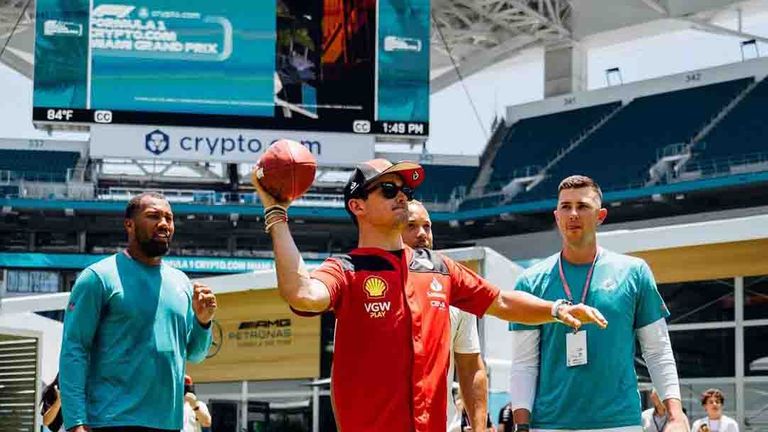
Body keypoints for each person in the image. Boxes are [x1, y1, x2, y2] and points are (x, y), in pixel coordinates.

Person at [252, 158, 607, 432]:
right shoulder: (345, 269)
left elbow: (500, 301)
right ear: (357, 206)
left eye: (405, 190)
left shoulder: (440, 268)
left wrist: (557, 309)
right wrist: (276, 214)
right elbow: (301, 293)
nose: (402, 195)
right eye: (388, 190)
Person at [509, 175, 688, 432]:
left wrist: (675, 415)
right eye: (565, 207)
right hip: (549, 425)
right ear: (556, 216)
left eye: (582, 206)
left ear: (600, 216)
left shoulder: (634, 273)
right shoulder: (529, 282)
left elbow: (657, 351)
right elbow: (524, 363)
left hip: (619, 424)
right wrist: (522, 426)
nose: (573, 214)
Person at [60, 192, 217, 432]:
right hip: (111, 422)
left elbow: (194, 354)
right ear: (129, 225)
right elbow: (74, 350)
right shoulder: (98, 278)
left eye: (169, 218)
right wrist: (76, 422)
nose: (164, 224)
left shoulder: (182, 283)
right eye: (154, 216)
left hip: (168, 425)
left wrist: (203, 322)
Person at [402, 199, 489, 431]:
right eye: (411, 226)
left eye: (427, 227)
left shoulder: (454, 290)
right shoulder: (370, 288)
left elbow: (471, 366)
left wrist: (480, 428)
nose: (422, 234)